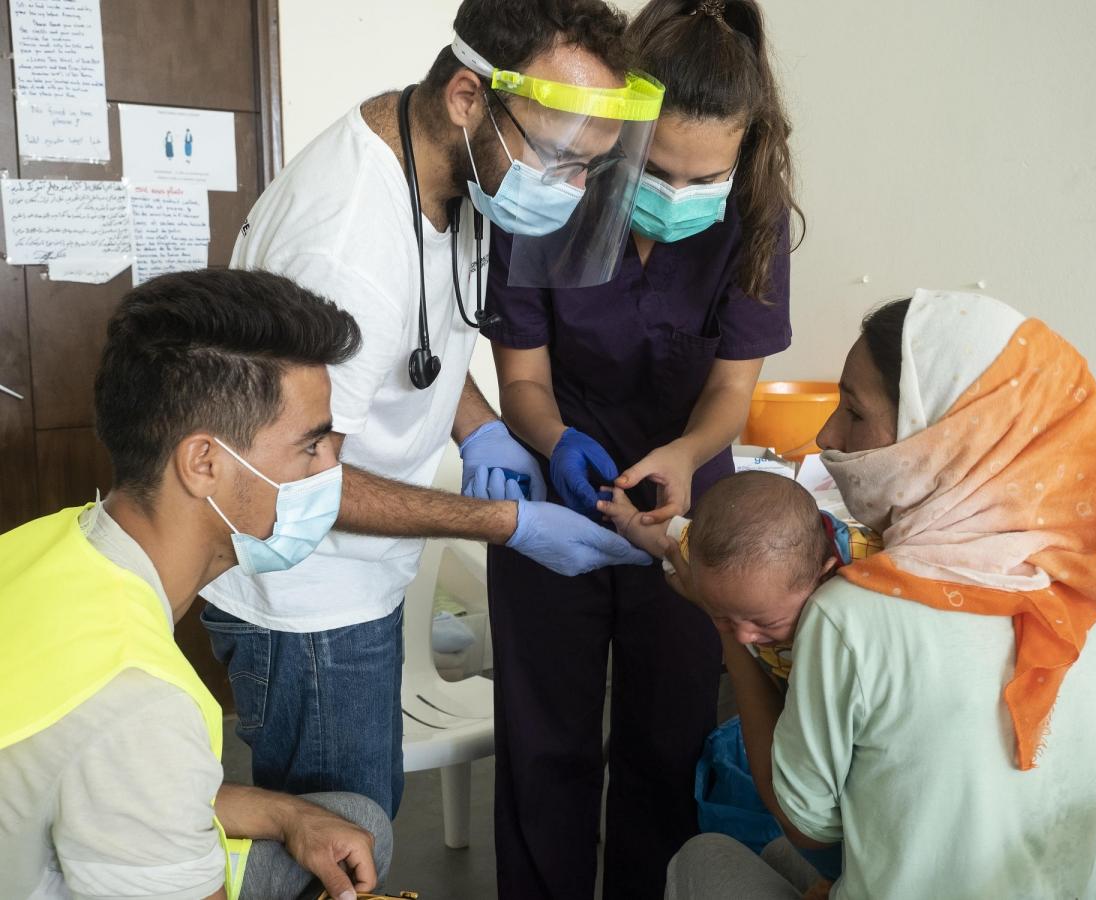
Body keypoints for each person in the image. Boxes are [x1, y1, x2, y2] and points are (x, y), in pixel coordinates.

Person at [201, 0, 662, 820]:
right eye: (558, 156)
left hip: (361, 582)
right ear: (466, 96)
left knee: (359, 822)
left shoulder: (454, 165)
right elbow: (285, 481)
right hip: (307, 601)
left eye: (590, 165)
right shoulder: (344, 247)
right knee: (345, 838)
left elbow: (423, 342)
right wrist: (504, 523)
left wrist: (479, 421)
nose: (569, 186)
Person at [665, 289, 1096, 900]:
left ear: (944, 431)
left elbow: (808, 826)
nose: (826, 435)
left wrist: (727, 627)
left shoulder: (853, 617)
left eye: (852, 409)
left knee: (704, 859)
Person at [478, 1, 801, 895]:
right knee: (548, 741)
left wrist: (686, 455)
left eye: (706, 179)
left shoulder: (755, 225)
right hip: (558, 487)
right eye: (654, 168)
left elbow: (733, 391)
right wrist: (556, 439)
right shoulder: (548, 204)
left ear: (746, 153)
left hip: (692, 503)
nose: (675, 198)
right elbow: (524, 383)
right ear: (616, 133)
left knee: (665, 740)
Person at [0, 269, 393, 900]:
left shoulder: (44, 543)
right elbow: (132, 749)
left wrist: (289, 814)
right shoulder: (142, 702)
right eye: (311, 446)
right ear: (204, 463)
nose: (332, 472)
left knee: (350, 819)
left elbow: (119, 770)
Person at [602, 471, 881, 690]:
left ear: (825, 576)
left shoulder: (866, 572)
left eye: (765, 622)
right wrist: (628, 521)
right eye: (721, 617)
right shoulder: (717, 560)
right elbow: (668, 539)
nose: (742, 636)